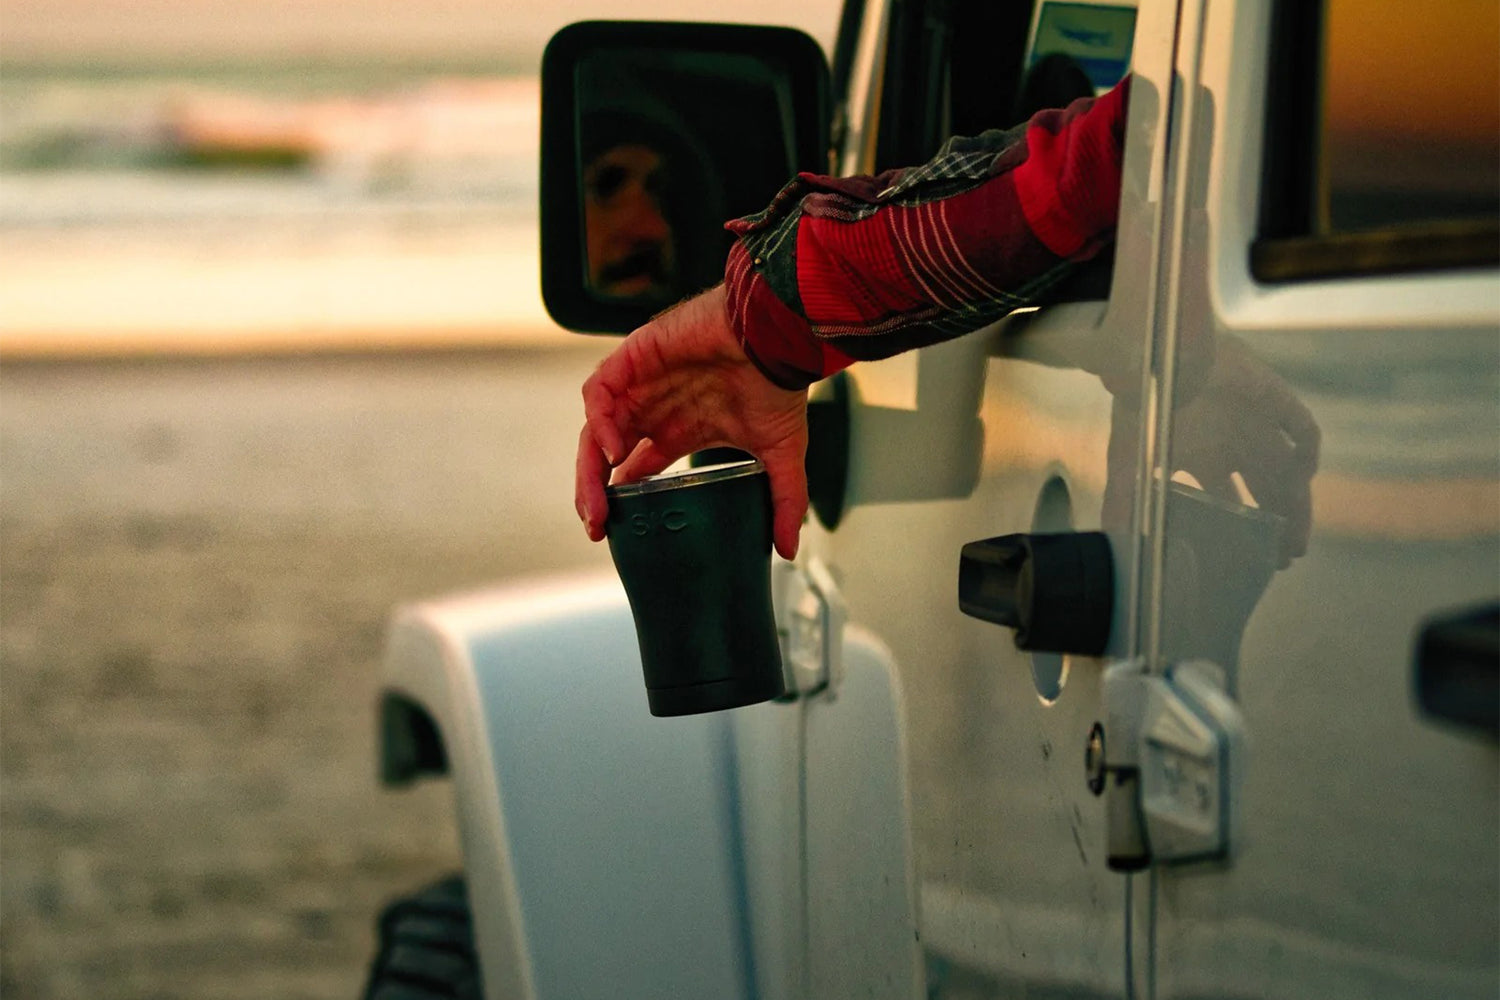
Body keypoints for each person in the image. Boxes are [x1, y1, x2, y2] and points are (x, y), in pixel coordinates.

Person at [576, 79, 1132, 558]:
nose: (646, 227)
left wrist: (768, 315)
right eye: (606, 187)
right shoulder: (1164, 148)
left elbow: (1097, 167)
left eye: (665, 195)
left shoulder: (1156, 152)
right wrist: (763, 322)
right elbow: (1099, 165)